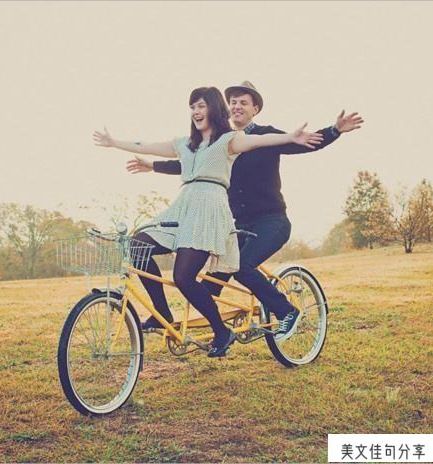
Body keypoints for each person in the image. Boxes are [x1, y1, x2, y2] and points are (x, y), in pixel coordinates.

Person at [94, 86, 324, 357]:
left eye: (201, 106)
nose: (195, 111)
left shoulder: (228, 140)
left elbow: (260, 141)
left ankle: (221, 331)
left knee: (183, 276)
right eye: (192, 107)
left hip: (210, 210)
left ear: (213, 109)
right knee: (137, 246)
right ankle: (162, 312)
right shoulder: (185, 144)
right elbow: (145, 145)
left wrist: (290, 137)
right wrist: (114, 142)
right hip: (184, 207)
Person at [126, 81, 364, 342]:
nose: (237, 106)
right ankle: (212, 332)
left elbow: (299, 142)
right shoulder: (220, 140)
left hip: (271, 221)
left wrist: (334, 130)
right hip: (235, 225)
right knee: (208, 283)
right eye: (233, 102)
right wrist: (153, 166)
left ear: (255, 109)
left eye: (243, 102)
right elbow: (192, 165)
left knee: (241, 266)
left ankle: (286, 310)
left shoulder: (263, 136)